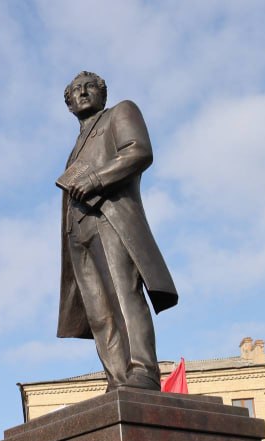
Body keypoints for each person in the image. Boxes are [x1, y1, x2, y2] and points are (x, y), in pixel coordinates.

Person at [57, 71, 176, 391]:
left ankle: (143, 370)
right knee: (99, 312)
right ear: (68, 104)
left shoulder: (120, 113)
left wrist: (95, 179)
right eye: (74, 91)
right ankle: (118, 378)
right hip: (78, 232)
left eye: (89, 87)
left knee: (124, 294)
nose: (81, 93)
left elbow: (138, 151)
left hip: (111, 218)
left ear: (102, 93)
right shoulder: (76, 144)